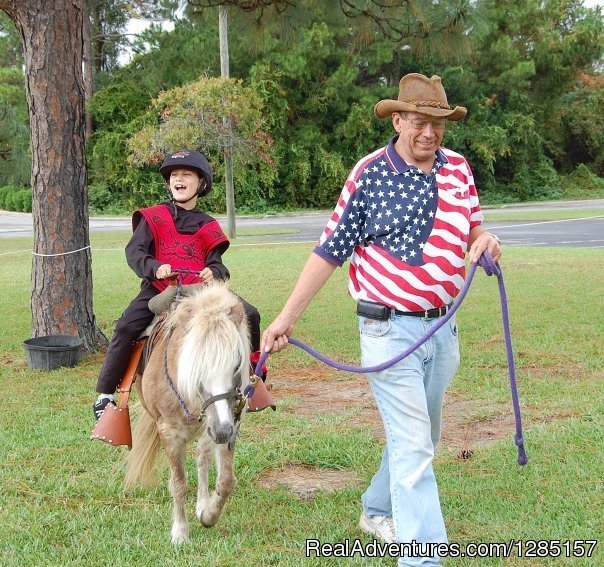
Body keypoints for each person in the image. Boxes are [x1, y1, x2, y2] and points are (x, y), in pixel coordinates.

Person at [261, 73, 502, 566]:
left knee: (424, 434)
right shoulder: (369, 174)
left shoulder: (458, 168)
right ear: (398, 120)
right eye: (419, 122)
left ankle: (376, 509)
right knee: (415, 447)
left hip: (442, 330)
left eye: (437, 123)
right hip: (388, 331)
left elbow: (472, 224)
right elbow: (329, 250)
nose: (429, 134)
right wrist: (285, 318)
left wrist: (484, 240)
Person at [93, 149, 264, 420]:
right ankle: (105, 395)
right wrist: (154, 268)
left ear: (201, 183)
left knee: (251, 314)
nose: (179, 179)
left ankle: (254, 375)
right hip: (159, 288)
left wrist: (212, 272)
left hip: (201, 292)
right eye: (174, 175)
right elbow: (135, 252)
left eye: (186, 174)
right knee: (127, 325)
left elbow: (218, 264)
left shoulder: (208, 225)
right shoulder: (154, 217)